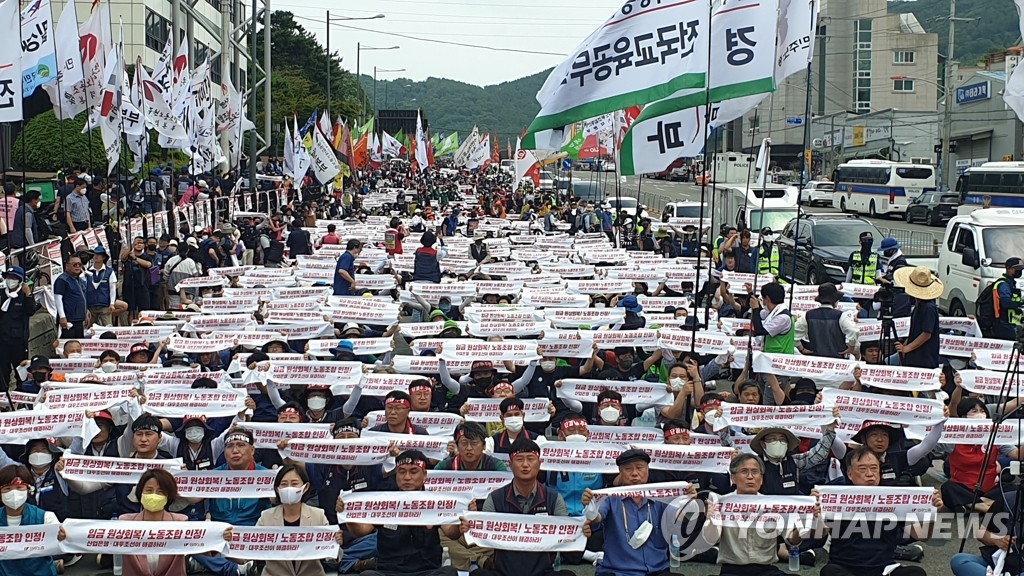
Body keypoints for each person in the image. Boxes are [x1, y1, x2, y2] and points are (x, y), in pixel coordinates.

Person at [817, 447, 939, 576]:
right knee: (829, 572)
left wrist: (930, 512)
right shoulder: (835, 496)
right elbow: (819, 534)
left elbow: (922, 535)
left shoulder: (893, 497)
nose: (870, 474)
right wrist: (817, 514)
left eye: (874, 468)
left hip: (884, 568)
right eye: (863, 469)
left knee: (916, 573)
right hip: (845, 567)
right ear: (850, 473)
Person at [465, 438, 575, 576]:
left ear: (540, 463)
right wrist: (472, 526)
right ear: (510, 464)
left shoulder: (553, 498)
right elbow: (482, 538)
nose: (525, 465)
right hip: (503, 572)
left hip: (542, 572)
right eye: (519, 460)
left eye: (530, 459)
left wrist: (581, 530)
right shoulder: (495, 498)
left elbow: (565, 533)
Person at [339, 450, 460, 576]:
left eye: (413, 472)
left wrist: (461, 524)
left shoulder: (435, 502)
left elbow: (452, 533)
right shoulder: (384, 502)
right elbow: (360, 531)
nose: (407, 477)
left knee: (449, 573)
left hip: (427, 571)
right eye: (402, 472)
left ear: (424, 475)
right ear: (396, 474)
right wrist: (347, 514)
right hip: (389, 571)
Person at [581, 449, 689, 576]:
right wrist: (590, 506)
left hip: (657, 570)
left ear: (647, 470)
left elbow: (677, 518)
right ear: (620, 473)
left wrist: (688, 500)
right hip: (619, 571)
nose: (634, 473)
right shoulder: (609, 497)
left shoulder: (661, 496)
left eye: (639, 468)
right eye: (628, 469)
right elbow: (597, 517)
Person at [701, 454, 805, 576]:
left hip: (766, 570)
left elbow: (792, 540)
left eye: (755, 472)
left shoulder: (773, 505)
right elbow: (710, 539)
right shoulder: (721, 503)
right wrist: (711, 518)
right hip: (732, 570)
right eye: (744, 472)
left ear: (761, 479)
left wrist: (801, 527)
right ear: (733, 478)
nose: (750, 477)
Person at [256, 465, 342, 576]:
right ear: (277, 489)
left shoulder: (318, 515)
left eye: (295, 483)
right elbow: (249, 552)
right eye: (284, 484)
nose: (289, 488)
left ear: (305, 487)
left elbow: (331, 558)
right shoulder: (266, 517)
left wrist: (336, 544)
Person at [119, 469, 192, 576]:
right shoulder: (124, 523)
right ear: (140, 493)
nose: (154, 495)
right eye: (149, 490)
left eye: (160, 492)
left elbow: (205, 545)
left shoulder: (181, 522)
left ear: (168, 496)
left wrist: (222, 535)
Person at [0, 464, 61, 576]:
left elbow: (60, 547)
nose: (14, 493)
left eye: (19, 488)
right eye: (7, 489)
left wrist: (62, 538)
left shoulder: (46, 518)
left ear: (28, 490)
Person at [892, 266, 942, 368]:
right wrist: (905, 346)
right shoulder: (919, 304)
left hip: (923, 358)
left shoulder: (928, 307)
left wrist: (907, 348)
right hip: (916, 356)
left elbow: (926, 334)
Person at [794, 283, 858, 358]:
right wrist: (851, 347)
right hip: (837, 360)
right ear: (835, 300)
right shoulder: (840, 316)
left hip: (816, 359)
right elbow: (854, 331)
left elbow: (794, 333)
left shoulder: (807, 315)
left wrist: (802, 349)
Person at [0, 266, 35, 392]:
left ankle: (21, 396)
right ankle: (3, 398)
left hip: (18, 341)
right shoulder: (1, 294)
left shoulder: (24, 295)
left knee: (21, 371)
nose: (11, 280)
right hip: (2, 341)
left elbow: (31, 311)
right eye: (9, 278)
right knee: (3, 372)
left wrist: (28, 295)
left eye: (14, 278)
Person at [749, 282, 794, 354]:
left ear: (767, 299)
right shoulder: (774, 311)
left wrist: (755, 309)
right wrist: (750, 293)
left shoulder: (783, 318)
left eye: (762, 298)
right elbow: (759, 314)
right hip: (772, 355)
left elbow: (760, 331)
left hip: (781, 356)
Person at [54, 254, 88, 338]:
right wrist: (62, 317)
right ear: (67, 266)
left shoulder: (79, 279)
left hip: (79, 318)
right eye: (74, 264)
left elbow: (83, 297)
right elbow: (58, 299)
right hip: (69, 319)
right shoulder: (62, 280)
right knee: (69, 343)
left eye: (79, 264)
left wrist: (86, 311)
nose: (77, 266)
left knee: (79, 343)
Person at [84, 247, 120, 327]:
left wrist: (112, 304)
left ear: (103, 257)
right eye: (94, 254)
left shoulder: (109, 271)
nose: (96, 256)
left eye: (99, 255)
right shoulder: (87, 271)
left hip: (104, 306)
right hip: (90, 306)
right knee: (89, 330)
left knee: (108, 327)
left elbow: (112, 288)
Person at [991, 256, 1023, 340]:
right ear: (1008, 269)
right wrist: (1021, 304)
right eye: (1016, 269)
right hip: (1003, 324)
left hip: (1011, 323)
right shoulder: (1003, 285)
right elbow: (1006, 303)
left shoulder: (1010, 284)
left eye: (1020, 269)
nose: (1019, 271)